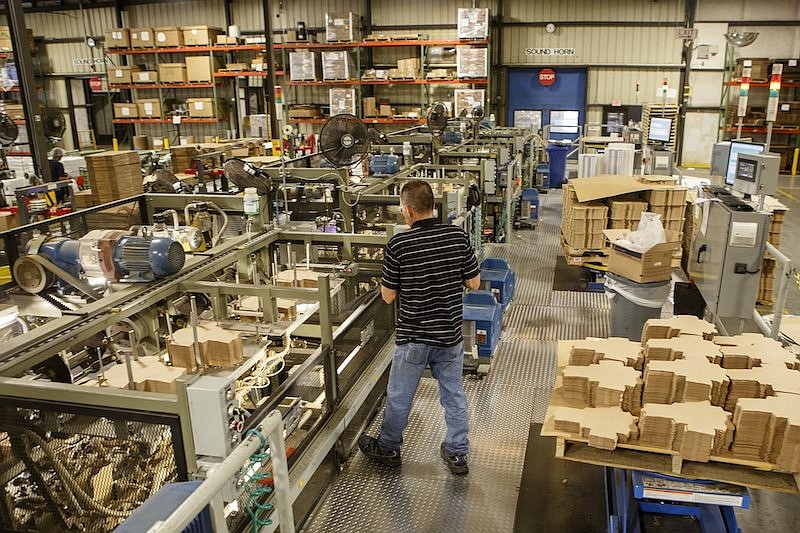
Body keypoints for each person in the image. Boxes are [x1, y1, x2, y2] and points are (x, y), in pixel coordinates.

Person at [359, 180, 480, 475]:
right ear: (434, 207)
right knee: (454, 395)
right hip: (449, 335)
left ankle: (388, 448)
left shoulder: (399, 245)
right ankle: (457, 454)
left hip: (413, 337)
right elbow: (474, 283)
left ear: (408, 211)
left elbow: (388, 297)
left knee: (400, 396)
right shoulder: (457, 237)